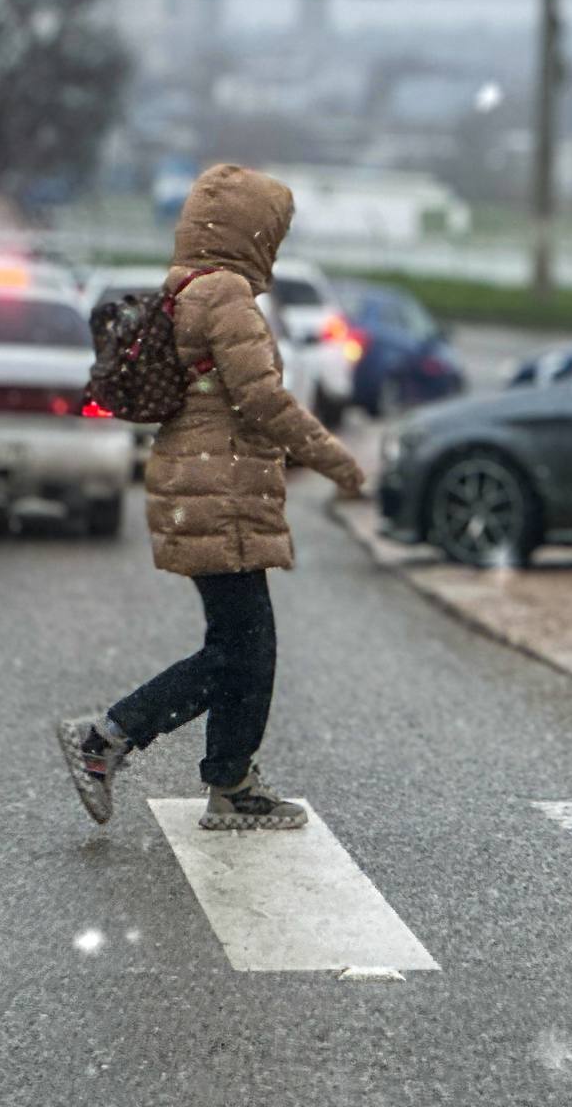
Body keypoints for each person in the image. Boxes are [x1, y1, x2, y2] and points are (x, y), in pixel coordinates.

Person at [55, 163, 366, 832]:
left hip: (199, 480)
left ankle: (229, 779)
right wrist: (333, 457)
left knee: (239, 644)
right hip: (216, 489)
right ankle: (109, 738)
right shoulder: (225, 293)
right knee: (243, 651)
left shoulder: (188, 286)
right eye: (272, 234)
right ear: (251, 233)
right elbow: (261, 399)